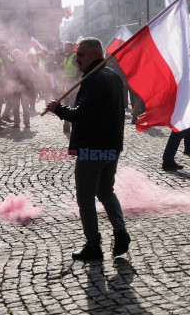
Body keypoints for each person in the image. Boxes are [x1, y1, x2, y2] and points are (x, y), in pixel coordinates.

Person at [46, 37, 130, 261]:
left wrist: (59, 109)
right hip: (112, 146)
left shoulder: (93, 79)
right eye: (76, 54)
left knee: (86, 197)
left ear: (95, 54)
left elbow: (82, 115)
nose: (76, 59)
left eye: (81, 55)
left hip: (93, 148)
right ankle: (120, 232)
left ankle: (93, 245)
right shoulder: (113, 76)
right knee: (105, 191)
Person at [62, 42, 80, 133]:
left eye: (66, 47)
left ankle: (74, 125)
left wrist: (75, 80)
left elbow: (79, 69)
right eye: (65, 47)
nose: (65, 48)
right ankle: (66, 125)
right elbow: (65, 70)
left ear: (71, 48)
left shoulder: (74, 56)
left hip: (73, 84)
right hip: (67, 84)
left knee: (73, 104)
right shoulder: (66, 56)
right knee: (66, 103)